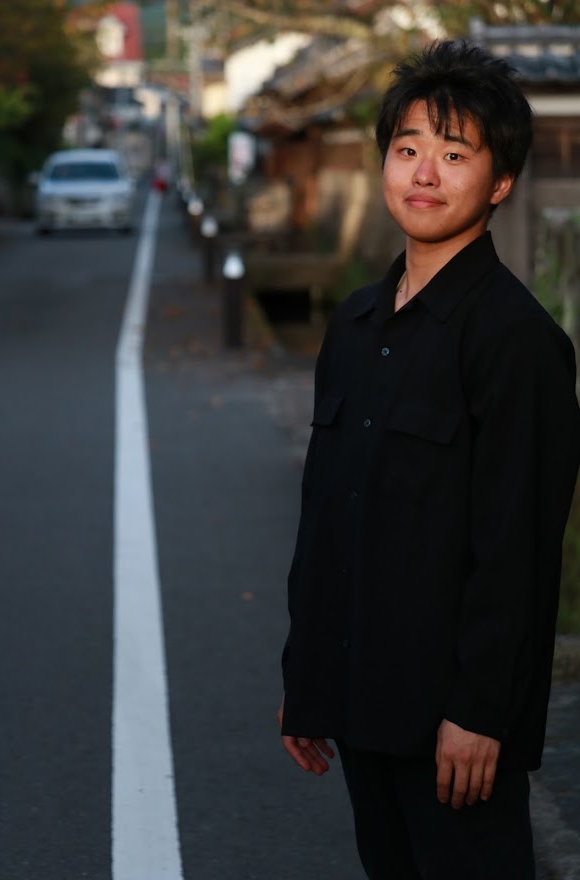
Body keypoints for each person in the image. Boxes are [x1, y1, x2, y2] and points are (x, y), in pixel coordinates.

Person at [277, 39, 580, 880]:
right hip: (359, 701)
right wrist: (308, 674)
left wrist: (481, 712)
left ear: (501, 181)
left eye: (454, 155)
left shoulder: (518, 343)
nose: (424, 174)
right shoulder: (354, 325)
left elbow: (518, 550)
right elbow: (326, 515)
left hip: (454, 730)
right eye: (408, 148)